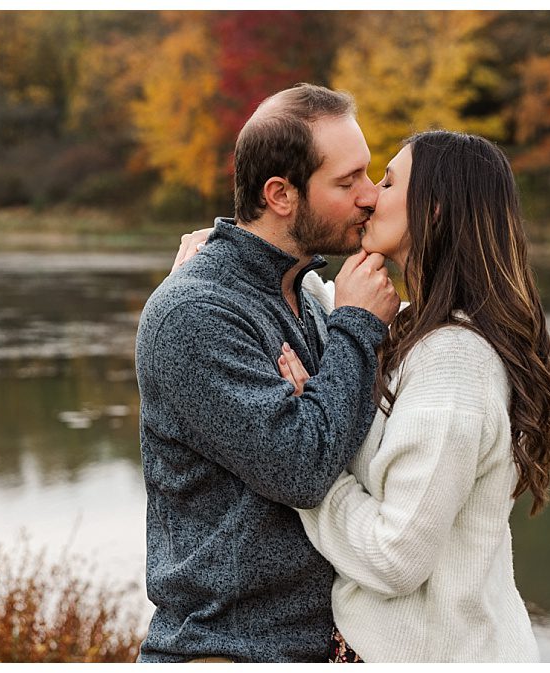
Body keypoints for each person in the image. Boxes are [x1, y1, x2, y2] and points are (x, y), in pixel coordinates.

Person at [176, 130, 550, 662]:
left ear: (432, 211)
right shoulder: (416, 332)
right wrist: (223, 260)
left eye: (386, 181)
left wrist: (309, 461)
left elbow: (394, 557)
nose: (369, 196)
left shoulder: (453, 363)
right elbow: (329, 301)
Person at [134, 83, 400, 663]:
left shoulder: (304, 290)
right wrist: (356, 325)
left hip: (312, 647)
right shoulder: (194, 315)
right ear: (280, 194)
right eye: (347, 180)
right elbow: (302, 470)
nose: (369, 197)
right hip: (228, 651)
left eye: (370, 175)